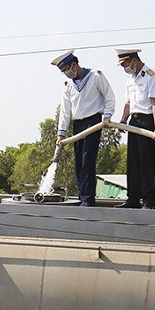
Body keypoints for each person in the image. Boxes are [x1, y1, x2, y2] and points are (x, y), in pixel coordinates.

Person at [52, 51, 116, 206]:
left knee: (88, 160)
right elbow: (65, 111)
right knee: (79, 163)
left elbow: (109, 97)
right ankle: (82, 196)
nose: (66, 74)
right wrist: (61, 134)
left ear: (74, 65)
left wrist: (107, 116)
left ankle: (87, 200)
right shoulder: (68, 85)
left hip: (93, 122)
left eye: (66, 70)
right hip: (78, 125)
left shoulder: (95, 76)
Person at [116, 49, 155, 209]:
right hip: (133, 122)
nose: (125, 68)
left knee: (147, 162)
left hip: (147, 121)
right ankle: (133, 198)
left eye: (125, 64)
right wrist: (123, 120)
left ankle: (149, 200)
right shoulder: (130, 79)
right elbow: (128, 103)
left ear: (133, 61)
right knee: (133, 162)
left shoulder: (152, 75)